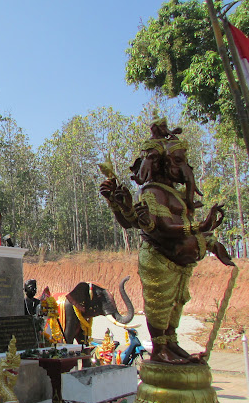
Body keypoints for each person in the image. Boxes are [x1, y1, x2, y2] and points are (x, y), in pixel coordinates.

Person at [100, 118, 234, 365]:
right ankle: (160, 347)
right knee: (160, 302)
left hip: (178, 261)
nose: (183, 168)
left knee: (177, 301)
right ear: (162, 164)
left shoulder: (173, 193)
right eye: (178, 162)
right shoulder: (153, 192)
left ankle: (171, 342)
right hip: (159, 258)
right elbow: (161, 227)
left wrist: (210, 241)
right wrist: (200, 226)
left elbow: (144, 221)